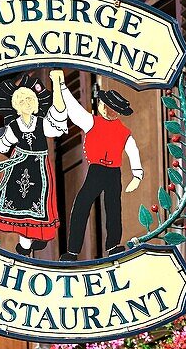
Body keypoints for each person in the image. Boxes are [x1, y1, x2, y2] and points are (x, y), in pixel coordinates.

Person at [0, 71, 67, 255]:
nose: (25, 104)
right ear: (16, 106)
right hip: (19, 167)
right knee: (21, 209)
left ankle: (39, 239)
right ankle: (25, 247)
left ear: (35, 104)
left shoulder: (41, 123)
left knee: (39, 205)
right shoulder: (14, 127)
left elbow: (58, 118)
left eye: (29, 100)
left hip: (38, 167)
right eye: (21, 101)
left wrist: (58, 85)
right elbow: (2, 144)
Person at [58, 73, 143, 260]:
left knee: (113, 209)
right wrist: (62, 86)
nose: (108, 111)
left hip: (113, 172)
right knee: (81, 205)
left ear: (118, 112)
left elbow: (133, 151)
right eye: (106, 107)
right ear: (101, 105)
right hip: (97, 170)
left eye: (113, 110)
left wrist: (137, 175)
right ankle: (72, 251)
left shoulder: (123, 131)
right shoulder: (92, 122)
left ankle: (113, 246)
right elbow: (74, 110)